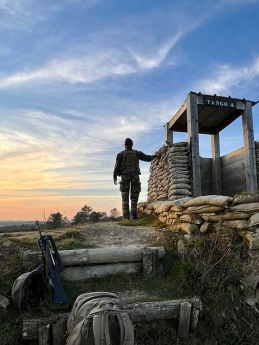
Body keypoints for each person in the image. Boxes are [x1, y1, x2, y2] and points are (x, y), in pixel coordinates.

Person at [113, 138, 158, 220]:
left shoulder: (120, 154)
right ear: (132, 144)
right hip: (135, 176)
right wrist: (155, 156)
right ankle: (133, 216)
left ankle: (126, 217)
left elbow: (116, 166)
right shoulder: (136, 153)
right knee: (134, 197)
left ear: (125, 145)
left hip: (124, 177)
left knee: (124, 197)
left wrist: (115, 177)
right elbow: (147, 158)